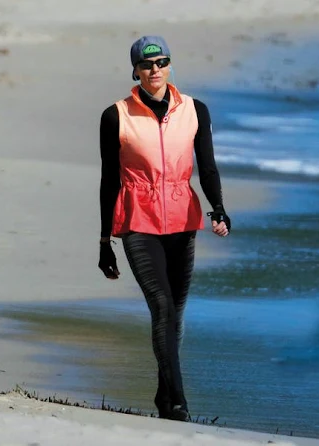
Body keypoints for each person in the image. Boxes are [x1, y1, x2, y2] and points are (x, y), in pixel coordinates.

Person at [97, 35, 231, 422]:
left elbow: (207, 167)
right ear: (136, 70)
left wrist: (218, 208)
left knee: (175, 313)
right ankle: (178, 402)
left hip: (182, 221)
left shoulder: (195, 110)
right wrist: (105, 240)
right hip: (138, 221)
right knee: (161, 307)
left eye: (162, 62)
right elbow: (109, 180)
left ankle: (163, 394)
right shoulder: (116, 115)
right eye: (147, 64)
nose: (155, 70)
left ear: (169, 66)